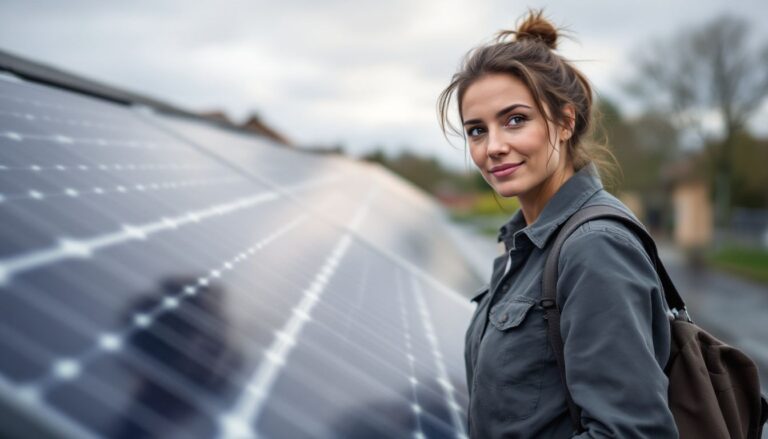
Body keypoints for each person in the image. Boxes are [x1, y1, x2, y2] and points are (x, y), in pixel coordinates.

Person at [437, 10, 679, 438]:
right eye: (477, 130)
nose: (493, 146)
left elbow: (631, 432)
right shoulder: (527, 244)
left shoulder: (594, 247)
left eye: (515, 120)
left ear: (565, 122)